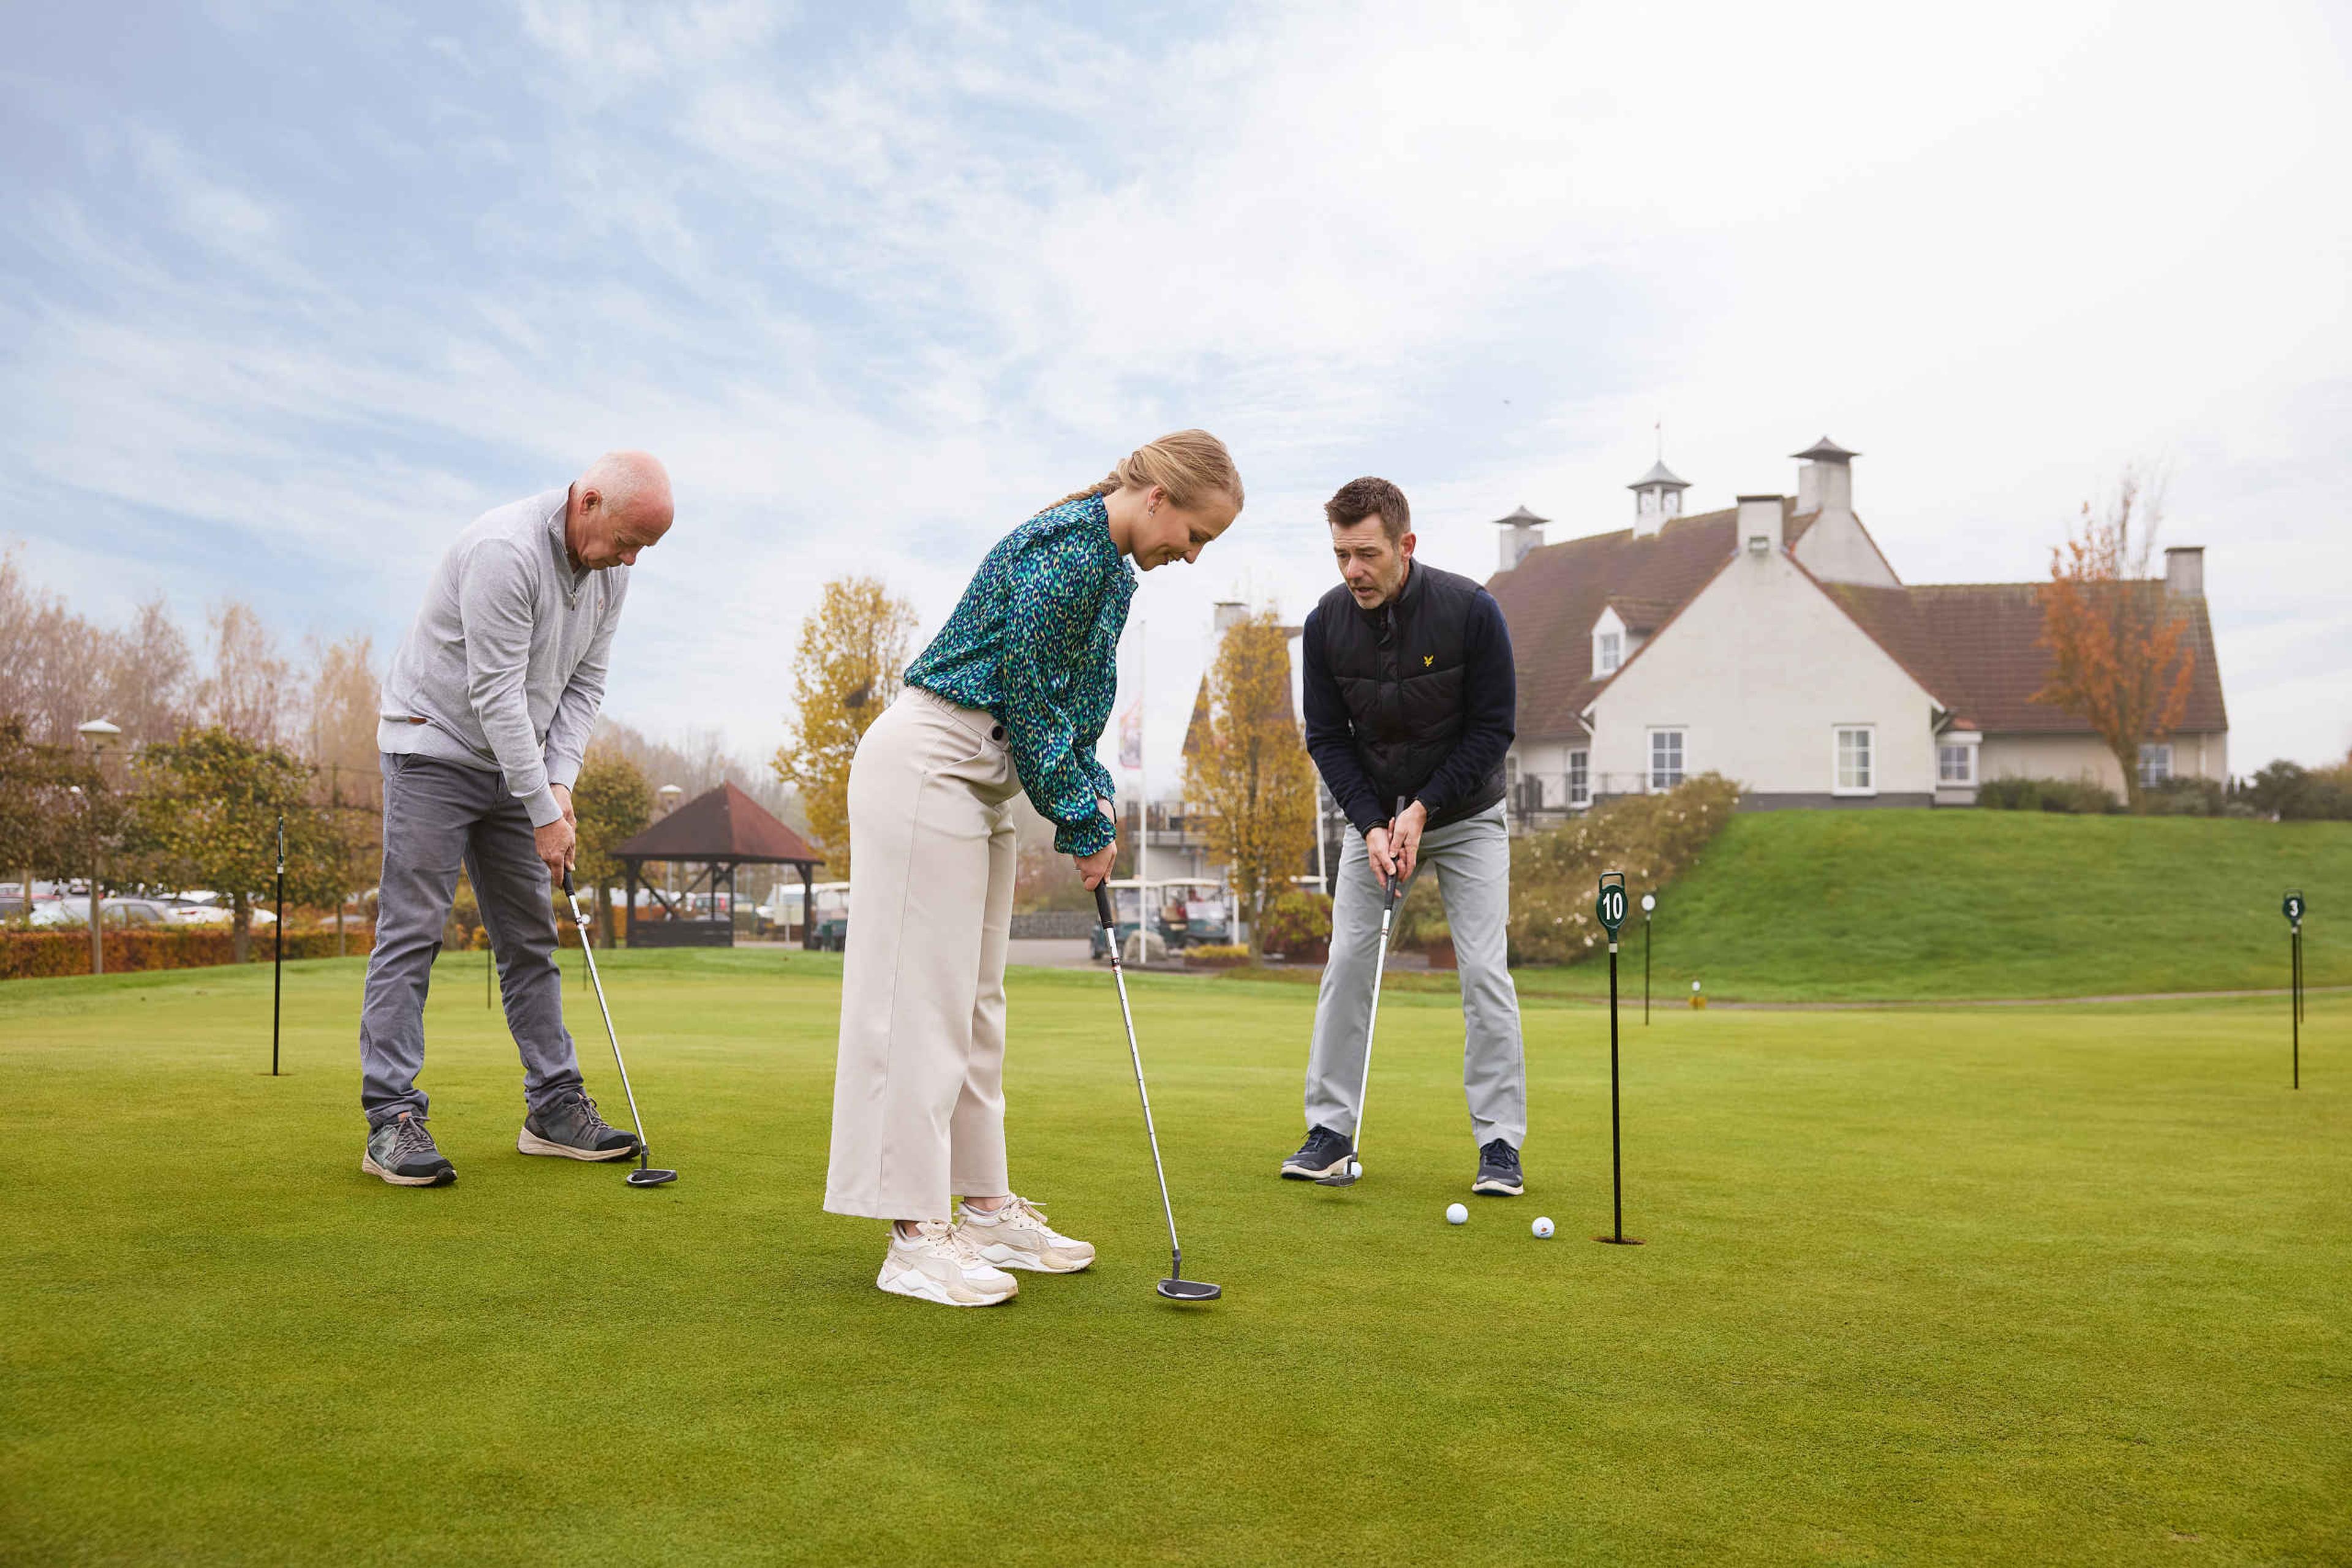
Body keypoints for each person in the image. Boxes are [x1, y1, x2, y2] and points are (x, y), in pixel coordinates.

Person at [824, 431, 1243, 1307]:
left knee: (977, 1003)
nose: (1193, 555)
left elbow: (1066, 716)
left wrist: (1094, 802)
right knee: (922, 1001)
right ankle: (911, 1235)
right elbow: (1025, 692)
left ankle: (982, 1209)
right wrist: (1077, 817)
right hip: (931, 760)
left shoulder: (1107, 570)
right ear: (1161, 497)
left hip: (985, 777)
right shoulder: (1066, 553)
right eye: (1196, 535)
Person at [356, 451, 674, 1187]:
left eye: (643, 551)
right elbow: (495, 692)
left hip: (515, 760)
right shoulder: (506, 552)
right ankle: (391, 1120)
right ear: (588, 501)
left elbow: (585, 685)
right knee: (413, 930)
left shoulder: (610, 574)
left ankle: (554, 1108)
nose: (630, 560)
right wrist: (543, 811)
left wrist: (558, 783)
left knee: (530, 935)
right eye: (628, 540)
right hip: (433, 744)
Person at [1283, 476, 1528, 1196]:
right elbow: (1326, 738)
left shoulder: (1472, 611)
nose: (1352, 571)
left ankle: (1500, 1143)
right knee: (1350, 961)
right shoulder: (1325, 625)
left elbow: (1495, 729)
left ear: (1405, 546)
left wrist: (1423, 807)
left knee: (1484, 971)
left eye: (1365, 554)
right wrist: (1370, 823)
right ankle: (1330, 1132)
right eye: (1340, 556)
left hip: (1468, 816)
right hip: (1377, 823)